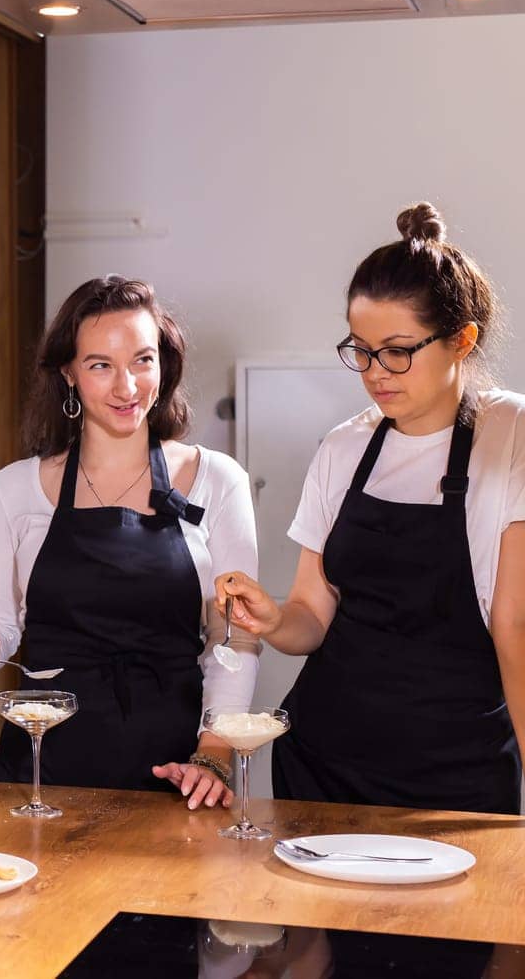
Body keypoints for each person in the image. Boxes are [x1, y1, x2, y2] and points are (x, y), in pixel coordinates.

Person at [218, 203, 524, 814]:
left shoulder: (509, 433)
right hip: (326, 761)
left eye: (397, 350)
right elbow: (313, 611)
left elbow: (515, 629)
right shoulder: (345, 447)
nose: (375, 373)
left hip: (459, 770)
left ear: (462, 339)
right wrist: (275, 620)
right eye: (360, 350)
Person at [0, 276, 259, 807]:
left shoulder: (218, 480)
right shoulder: (14, 488)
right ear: (68, 372)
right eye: (100, 365)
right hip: (42, 767)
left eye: (142, 360)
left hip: (177, 767)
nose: (126, 388)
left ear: (164, 363)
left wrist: (215, 751)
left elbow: (235, 639)